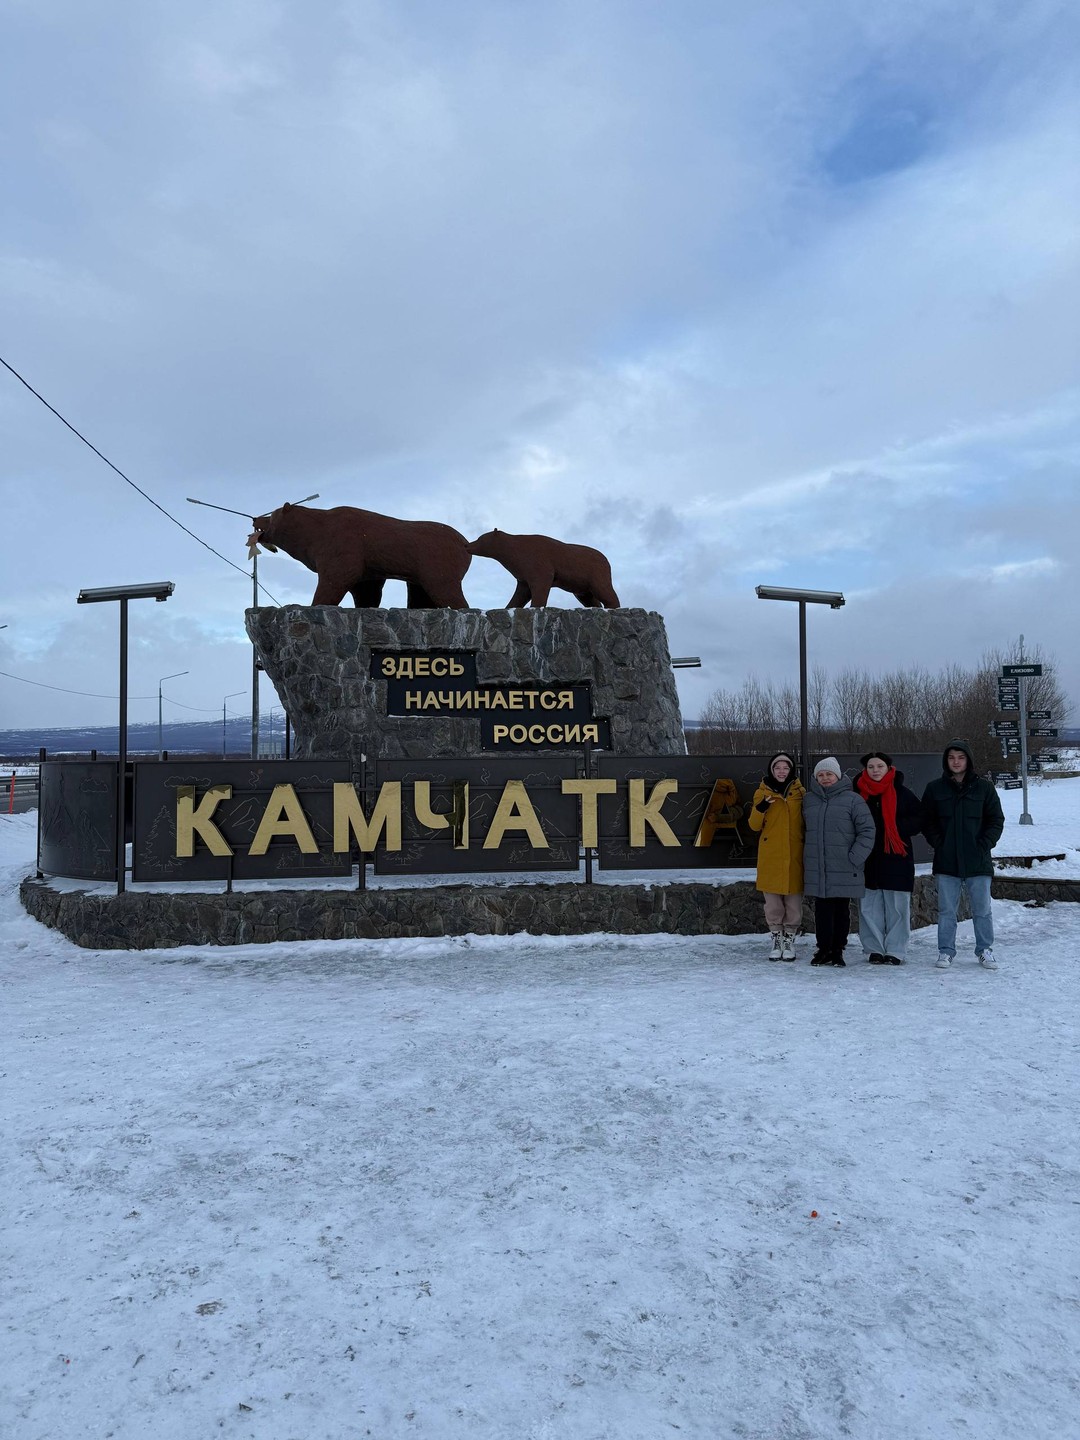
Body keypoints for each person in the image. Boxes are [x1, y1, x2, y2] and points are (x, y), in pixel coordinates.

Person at [921, 739, 1005, 970]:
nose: (956, 762)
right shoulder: (935, 788)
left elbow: (996, 820)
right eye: (951, 758)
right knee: (947, 910)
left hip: (978, 860)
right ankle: (945, 951)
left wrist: (984, 844)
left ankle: (985, 949)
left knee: (982, 910)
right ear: (946, 761)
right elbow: (927, 821)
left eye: (960, 757)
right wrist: (940, 843)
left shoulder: (984, 788)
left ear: (968, 760)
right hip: (947, 860)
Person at [802, 757, 875, 967]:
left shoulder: (853, 800)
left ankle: (837, 950)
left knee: (841, 910)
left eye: (829, 774)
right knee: (822, 910)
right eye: (821, 775)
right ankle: (823, 949)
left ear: (838, 776)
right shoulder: (809, 800)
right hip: (819, 866)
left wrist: (855, 857)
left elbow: (867, 831)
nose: (825, 778)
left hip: (844, 866)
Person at [854, 751, 923, 966]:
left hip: (896, 857)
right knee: (869, 907)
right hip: (869, 858)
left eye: (879, 766)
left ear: (888, 768)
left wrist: (896, 829)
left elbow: (920, 818)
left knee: (897, 908)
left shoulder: (902, 793)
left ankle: (895, 950)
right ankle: (874, 948)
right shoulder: (857, 794)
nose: (875, 770)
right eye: (871, 767)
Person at [747, 751, 805, 961]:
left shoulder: (800, 793)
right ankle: (776, 938)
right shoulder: (761, 793)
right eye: (777, 768)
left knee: (793, 901)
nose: (781, 772)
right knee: (772, 903)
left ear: (791, 770)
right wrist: (760, 808)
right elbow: (753, 826)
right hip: (771, 854)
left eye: (786, 767)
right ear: (771, 770)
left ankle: (789, 938)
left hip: (794, 853)